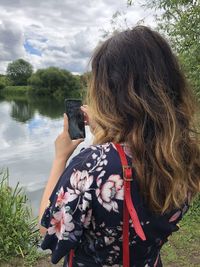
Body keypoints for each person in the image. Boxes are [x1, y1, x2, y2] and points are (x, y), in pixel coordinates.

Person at [39, 25, 200, 267]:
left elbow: (49, 231)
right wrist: (107, 133)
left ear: (108, 92)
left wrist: (60, 158)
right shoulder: (188, 155)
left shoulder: (90, 165)